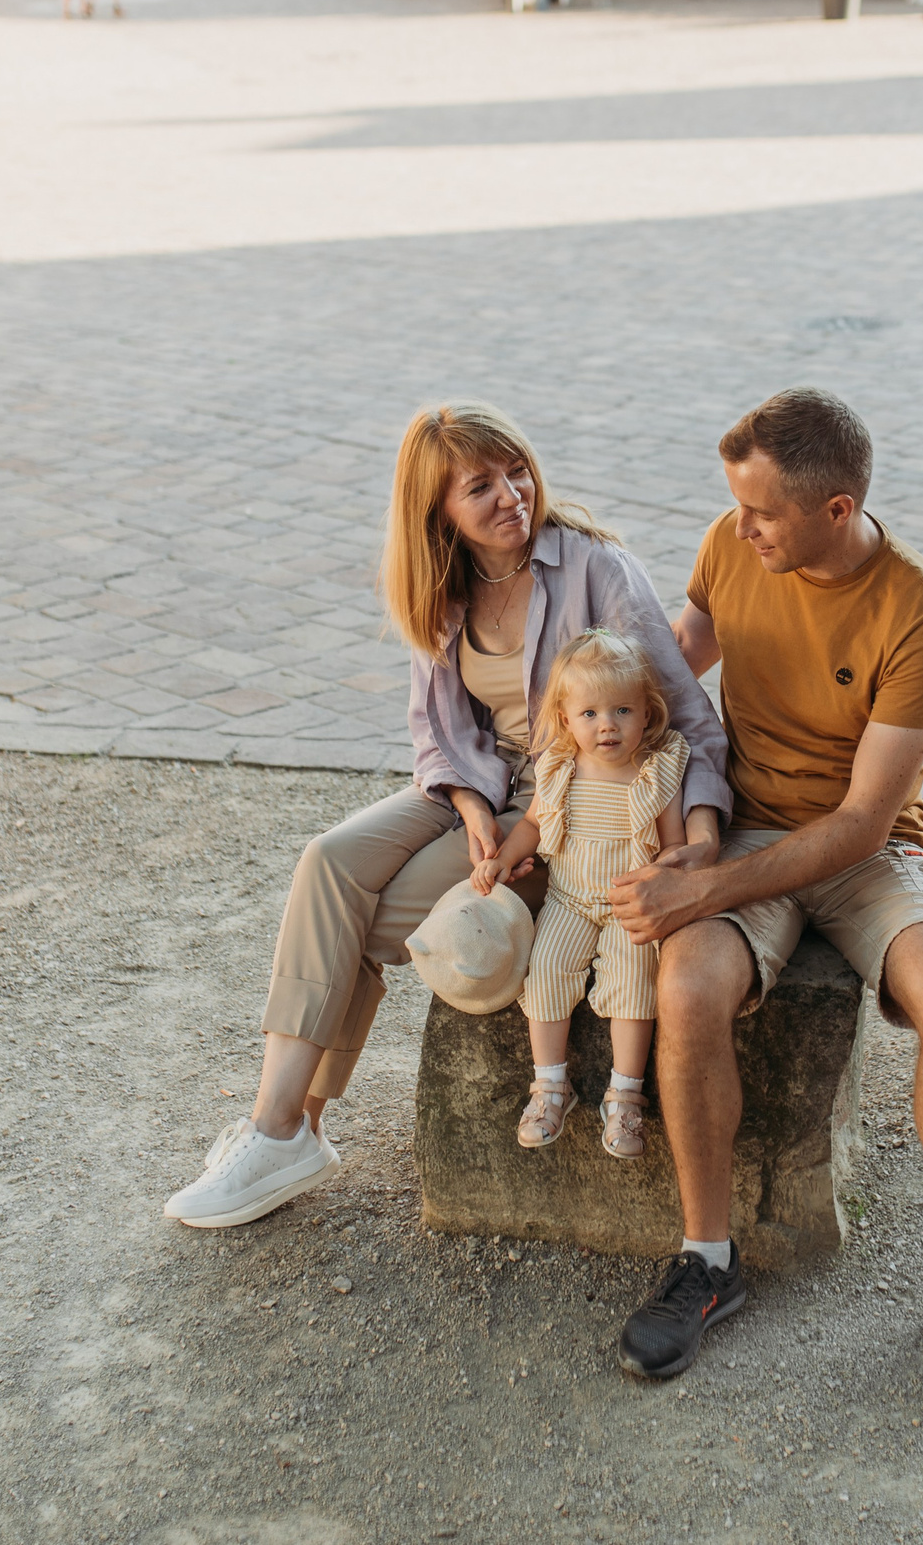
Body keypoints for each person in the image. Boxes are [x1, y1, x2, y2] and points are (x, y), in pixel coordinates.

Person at [162, 403, 731, 1229]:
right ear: (439, 513)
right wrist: (469, 806)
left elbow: (685, 713)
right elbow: (437, 730)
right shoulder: (445, 587)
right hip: (474, 786)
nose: (511, 494)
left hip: (567, 810)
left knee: (362, 920)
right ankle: (284, 1126)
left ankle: (288, 1128)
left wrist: (703, 837)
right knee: (329, 861)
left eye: (516, 470)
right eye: (480, 486)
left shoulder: (596, 571)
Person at [604, 387, 923, 1413]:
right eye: (737, 505)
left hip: (868, 843)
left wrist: (706, 886)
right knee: (685, 986)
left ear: (838, 509)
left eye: (762, 511)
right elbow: (675, 669)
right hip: (748, 823)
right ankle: (707, 1259)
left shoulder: (919, 612)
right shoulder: (734, 545)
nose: (740, 526)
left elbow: (859, 824)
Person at [472, 630, 688, 1159]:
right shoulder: (560, 770)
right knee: (545, 970)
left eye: (621, 710)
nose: (606, 725)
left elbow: (676, 845)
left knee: (636, 980)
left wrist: (666, 884)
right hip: (569, 899)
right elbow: (531, 825)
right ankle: (550, 1087)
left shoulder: (656, 772)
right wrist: (501, 859)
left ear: (646, 713)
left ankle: (625, 1096)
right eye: (589, 713)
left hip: (629, 905)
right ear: (566, 720)